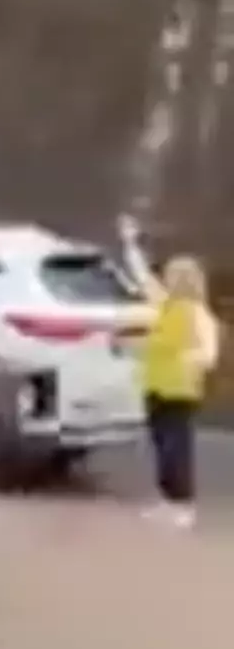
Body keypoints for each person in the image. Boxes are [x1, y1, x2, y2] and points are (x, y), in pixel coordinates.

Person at [118, 215, 223, 529]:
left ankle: (183, 505)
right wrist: (129, 243)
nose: (166, 278)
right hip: (157, 386)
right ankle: (167, 500)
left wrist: (189, 361)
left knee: (177, 448)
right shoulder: (166, 305)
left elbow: (209, 353)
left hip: (180, 390)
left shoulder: (198, 314)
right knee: (162, 446)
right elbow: (142, 278)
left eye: (174, 275)